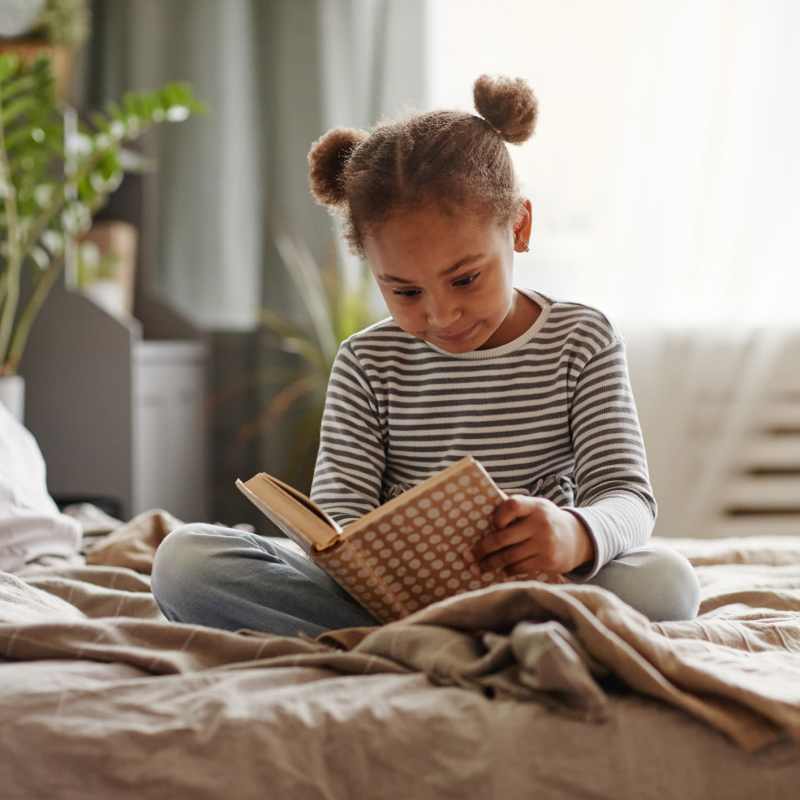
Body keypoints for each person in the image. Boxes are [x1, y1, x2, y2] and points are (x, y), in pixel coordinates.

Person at [151, 74, 700, 638]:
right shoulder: (366, 363)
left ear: (519, 226)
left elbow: (627, 496)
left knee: (665, 583)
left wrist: (573, 534)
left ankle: (410, 640)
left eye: (465, 279)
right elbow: (339, 518)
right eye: (405, 292)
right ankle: (457, 635)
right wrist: (380, 559)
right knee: (184, 561)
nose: (441, 316)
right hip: (388, 600)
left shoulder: (581, 340)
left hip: (538, 585)